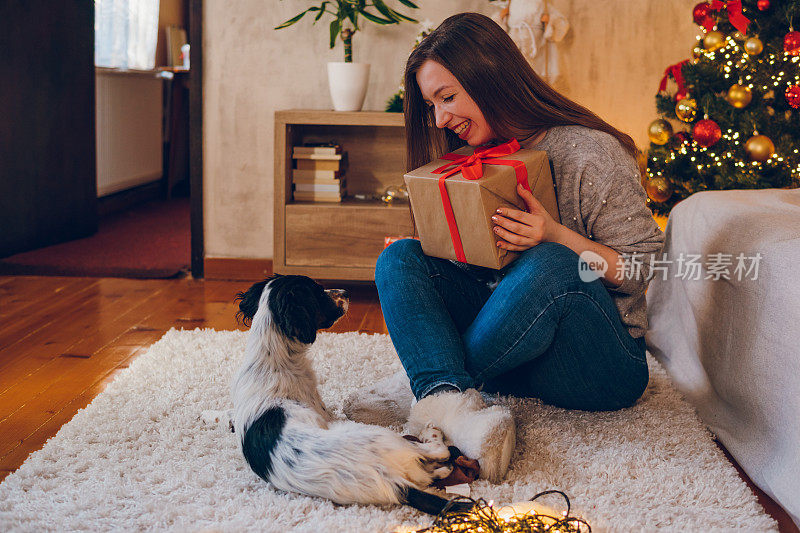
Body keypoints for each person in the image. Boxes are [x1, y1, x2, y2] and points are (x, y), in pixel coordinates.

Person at [343, 12, 665, 483]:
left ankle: (429, 389)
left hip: (599, 364)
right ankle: (443, 390)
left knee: (554, 263)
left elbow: (641, 268)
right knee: (400, 257)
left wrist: (554, 234)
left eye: (447, 97)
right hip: (514, 354)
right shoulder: (468, 161)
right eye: (432, 105)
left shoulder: (589, 152)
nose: (440, 118)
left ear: (490, 77)